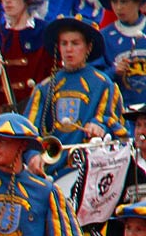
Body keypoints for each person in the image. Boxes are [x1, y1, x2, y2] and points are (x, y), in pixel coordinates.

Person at [25, 17, 127, 175]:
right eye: (64, 43)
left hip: (91, 170)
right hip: (51, 172)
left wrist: (99, 125)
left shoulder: (103, 84)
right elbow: (29, 130)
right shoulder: (44, 87)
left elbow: (119, 129)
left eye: (75, 43)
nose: (68, 49)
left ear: (88, 47)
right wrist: (32, 156)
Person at [97, 0, 146, 109]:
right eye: (115, 2)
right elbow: (94, 80)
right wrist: (114, 71)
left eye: (124, 2)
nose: (118, 8)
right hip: (122, 113)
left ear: (138, 1)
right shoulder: (104, 37)